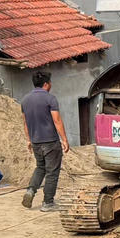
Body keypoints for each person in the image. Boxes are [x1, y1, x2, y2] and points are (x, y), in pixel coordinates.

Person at [20, 70, 69, 212]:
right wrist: (64, 140)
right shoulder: (50, 99)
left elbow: (25, 122)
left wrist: (29, 140)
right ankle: (48, 202)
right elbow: (57, 120)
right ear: (46, 84)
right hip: (50, 142)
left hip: (35, 142)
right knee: (52, 172)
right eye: (50, 83)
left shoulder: (25, 100)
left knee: (40, 167)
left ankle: (30, 191)